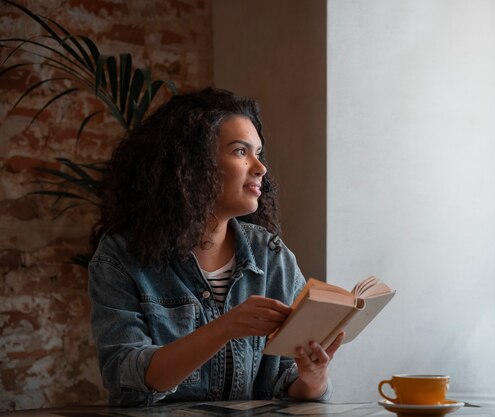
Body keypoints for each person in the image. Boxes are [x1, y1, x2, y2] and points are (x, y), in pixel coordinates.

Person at [88, 87, 344, 406]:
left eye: (258, 153)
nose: (260, 167)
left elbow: (286, 382)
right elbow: (127, 373)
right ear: (192, 164)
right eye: (240, 151)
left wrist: (313, 379)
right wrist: (224, 328)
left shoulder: (272, 255)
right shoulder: (120, 256)